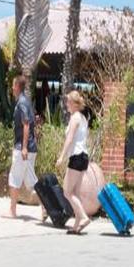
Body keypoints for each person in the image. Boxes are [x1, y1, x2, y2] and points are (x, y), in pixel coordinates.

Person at [56, 90, 91, 234]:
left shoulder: (75, 118)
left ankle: (83, 217)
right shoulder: (82, 118)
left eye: (68, 102)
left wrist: (62, 156)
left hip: (76, 156)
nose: (66, 105)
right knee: (75, 192)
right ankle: (77, 224)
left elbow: (69, 139)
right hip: (83, 157)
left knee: (67, 191)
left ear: (75, 104)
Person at [8, 75, 38, 218]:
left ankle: (12, 211)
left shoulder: (21, 103)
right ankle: (45, 207)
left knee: (14, 177)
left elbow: (26, 124)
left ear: (17, 87)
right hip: (30, 147)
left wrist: (24, 147)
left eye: (13, 86)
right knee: (30, 181)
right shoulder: (26, 101)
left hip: (23, 148)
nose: (12, 88)